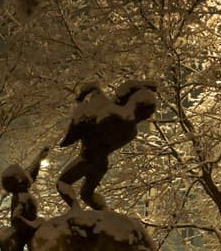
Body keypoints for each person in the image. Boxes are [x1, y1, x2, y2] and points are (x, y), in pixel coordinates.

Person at [55, 81, 157, 209]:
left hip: (88, 158)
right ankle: (105, 213)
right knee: (86, 194)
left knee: (62, 183)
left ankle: (76, 211)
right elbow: (121, 94)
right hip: (101, 164)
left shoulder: (110, 115)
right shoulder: (131, 131)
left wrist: (83, 103)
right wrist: (144, 86)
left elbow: (117, 94)